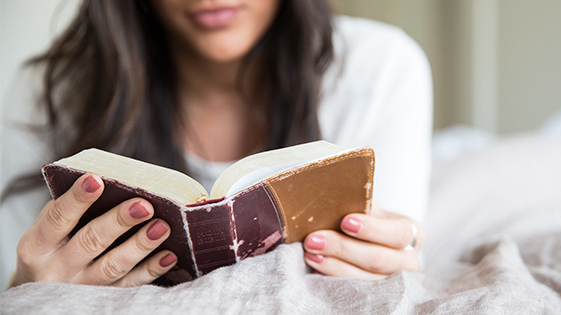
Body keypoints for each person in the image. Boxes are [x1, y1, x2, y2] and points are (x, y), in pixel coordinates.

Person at [0, 0, 432, 289]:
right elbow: (17, 271)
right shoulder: (48, 94)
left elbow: (389, 257)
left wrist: (402, 247)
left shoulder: (380, 69)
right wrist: (28, 290)